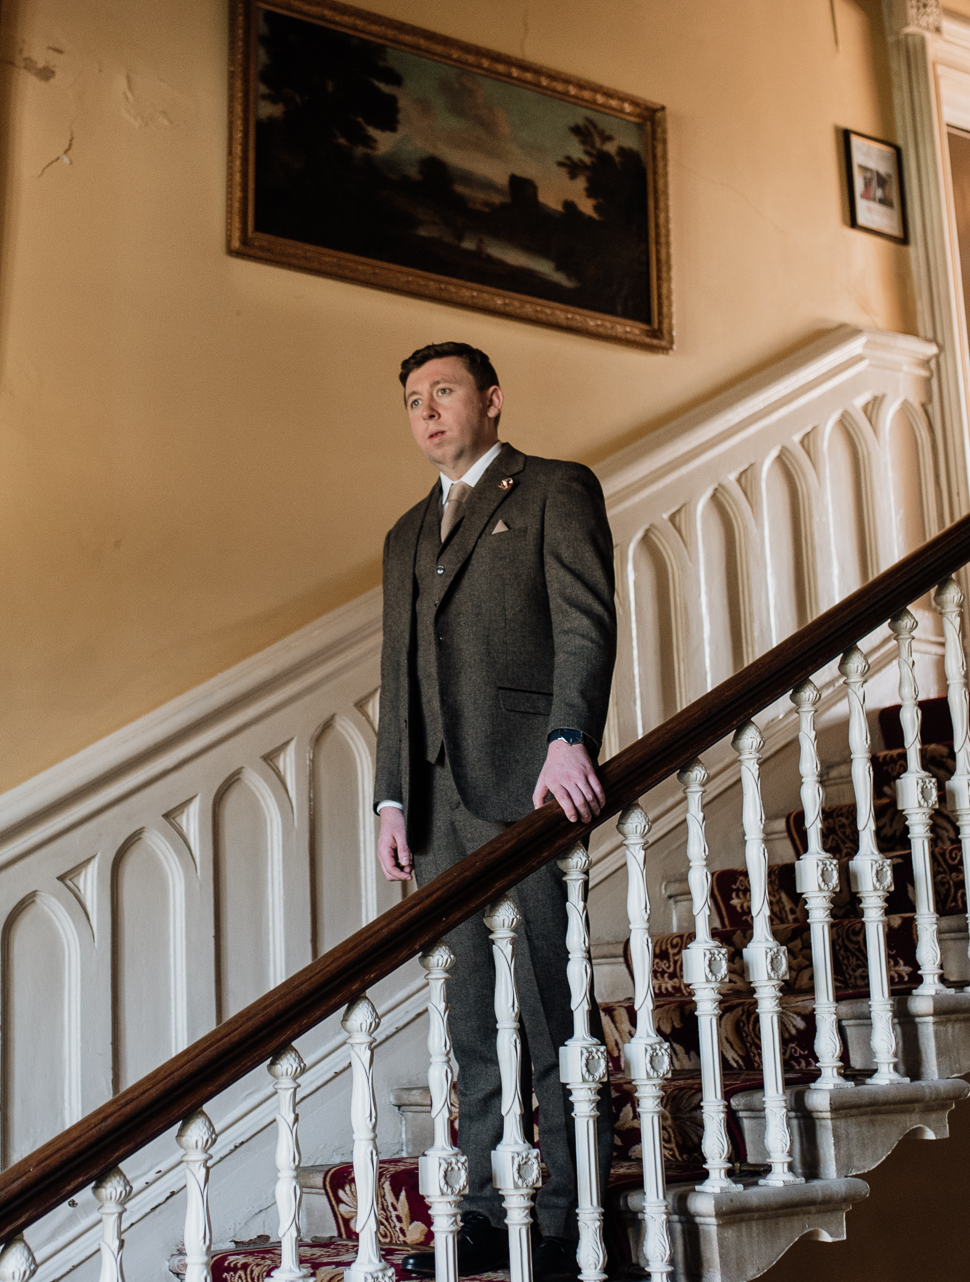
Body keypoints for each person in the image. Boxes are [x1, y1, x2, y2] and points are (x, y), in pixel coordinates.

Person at [375, 342, 619, 1281]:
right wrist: (392, 794)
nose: (427, 411)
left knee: (555, 1014)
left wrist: (571, 735)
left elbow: (584, 620)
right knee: (472, 1024)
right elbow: (395, 677)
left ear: (492, 401)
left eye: (443, 392)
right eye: (412, 401)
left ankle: (570, 1214)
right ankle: (483, 1210)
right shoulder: (403, 535)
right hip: (436, 809)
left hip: (529, 787)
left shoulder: (556, 488)